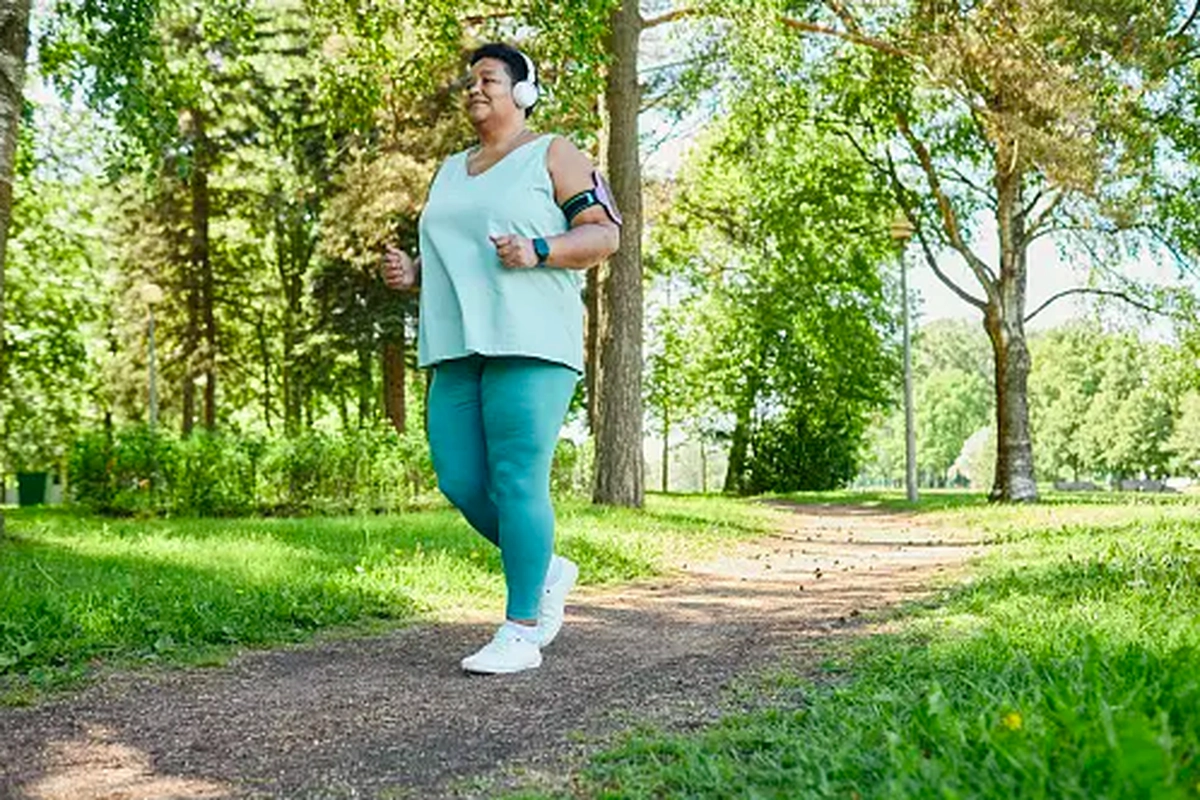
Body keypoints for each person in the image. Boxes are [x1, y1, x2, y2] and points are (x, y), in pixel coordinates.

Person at [381, 42, 621, 675]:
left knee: (517, 477)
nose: (474, 89)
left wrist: (539, 248)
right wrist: (413, 272)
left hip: (531, 339)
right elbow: (453, 252)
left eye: (488, 79)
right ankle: (544, 566)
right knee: (459, 478)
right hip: (456, 344)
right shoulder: (451, 169)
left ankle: (520, 632)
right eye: (470, 82)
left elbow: (604, 234)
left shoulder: (554, 152)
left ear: (523, 91)